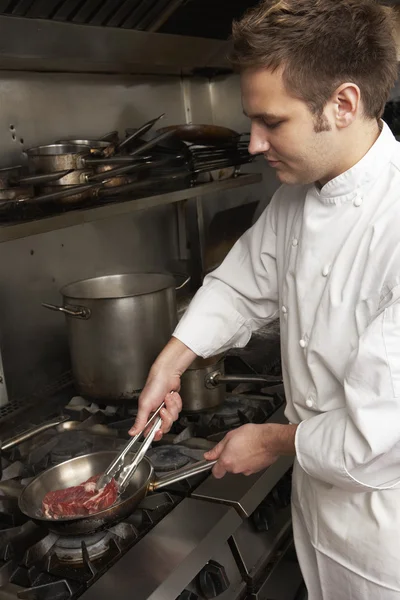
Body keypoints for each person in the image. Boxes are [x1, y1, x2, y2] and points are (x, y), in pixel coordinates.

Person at [130, 0, 400, 597]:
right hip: (321, 508)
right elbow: (241, 283)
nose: (253, 143)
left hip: (387, 541)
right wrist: (170, 363)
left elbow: (381, 437)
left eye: (271, 122)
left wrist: (272, 441)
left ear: (343, 104)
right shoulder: (301, 191)